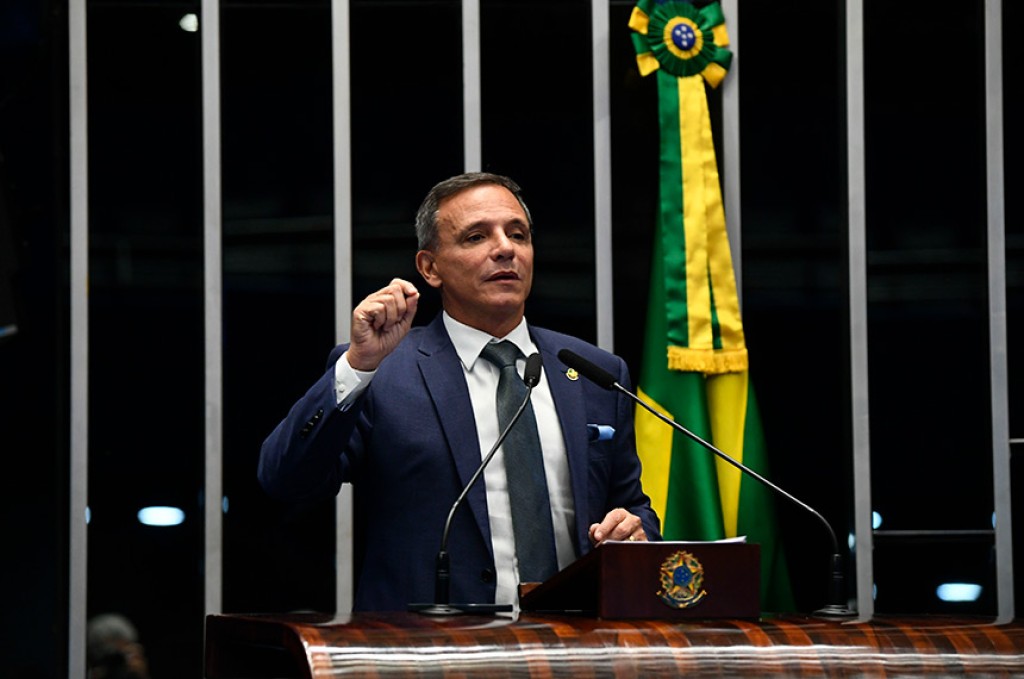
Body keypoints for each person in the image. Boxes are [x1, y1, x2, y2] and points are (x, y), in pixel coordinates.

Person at [258, 172, 660, 611]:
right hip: (428, 643)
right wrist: (357, 367)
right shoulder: (384, 371)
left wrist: (634, 530)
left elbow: (632, 507)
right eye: (476, 237)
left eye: (518, 234)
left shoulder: (594, 372)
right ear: (430, 268)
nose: (505, 248)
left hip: (574, 641)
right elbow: (286, 479)